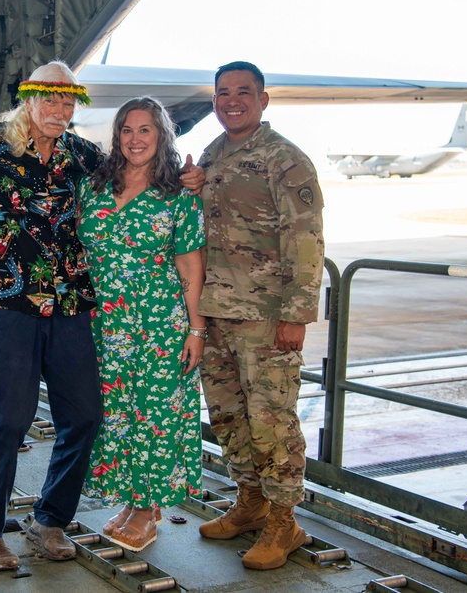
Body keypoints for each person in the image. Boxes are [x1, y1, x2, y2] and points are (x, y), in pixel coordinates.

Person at [0, 61, 206, 571]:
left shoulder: (84, 157)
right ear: (28, 100)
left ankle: (50, 520)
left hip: (70, 306)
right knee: (9, 421)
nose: (59, 110)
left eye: (68, 101)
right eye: (50, 99)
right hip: (9, 305)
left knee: (82, 416)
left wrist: (193, 176)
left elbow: (138, 168)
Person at [196, 61, 325, 570]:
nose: (233, 100)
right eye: (224, 92)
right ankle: (249, 503)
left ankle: (283, 522)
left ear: (263, 99)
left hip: (267, 318)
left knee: (272, 421)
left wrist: (297, 315)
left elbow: (306, 240)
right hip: (218, 312)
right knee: (229, 416)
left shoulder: (285, 159)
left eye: (244, 92)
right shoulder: (212, 154)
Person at [78, 97, 207, 552]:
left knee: (156, 413)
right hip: (106, 323)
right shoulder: (93, 186)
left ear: (162, 136)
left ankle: (150, 508)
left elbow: (191, 267)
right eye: (127, 130)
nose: (135, 139)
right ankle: (133, 500)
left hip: (159, 322)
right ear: (117, 136)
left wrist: (196, 329)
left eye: (145, 130)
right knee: (118, 413)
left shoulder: (179, 195)